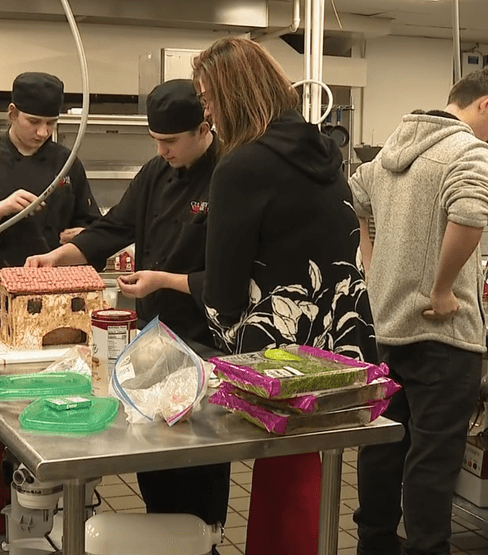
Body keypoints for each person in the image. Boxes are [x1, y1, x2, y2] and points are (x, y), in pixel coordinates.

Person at [193, 37, 377, 555]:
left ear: (233, 94)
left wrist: (217, 336)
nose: (205, 111)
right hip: (340, 344)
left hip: (279, 357)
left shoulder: (240, 167)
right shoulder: (325, 151)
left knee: (283, 477)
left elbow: (223, 291)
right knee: (303, 472)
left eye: (208, 98)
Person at [25, 79, 230, 533]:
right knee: (154, 461)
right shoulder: (155, 174)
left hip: (204, 346)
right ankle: (164, 536)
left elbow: (228, 280)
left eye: (171, 142)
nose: (163, 152)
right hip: (152, 341)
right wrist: (57, 260)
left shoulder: (227, 174)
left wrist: (162, 280)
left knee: (198, 464)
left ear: (204, 127)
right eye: (156, 141)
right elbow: (112, 227)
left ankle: (205, 540)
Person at [349, 67, 488, 555]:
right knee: (432, 463)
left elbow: (357, 196)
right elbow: (470, 213)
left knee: (384, 449)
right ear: (485, 104)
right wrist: (442, 288)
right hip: (444, 339)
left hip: (391, 329)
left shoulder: (387, 155)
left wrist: (375, 269)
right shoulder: (468, 150)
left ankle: (374, 546)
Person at [0, 71, 101, 288]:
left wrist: (83, 236)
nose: (43, 132)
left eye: (51, 123)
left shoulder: (67, 162)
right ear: (12, 113)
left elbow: (94, 228)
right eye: (34, 122)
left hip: (52, 289)